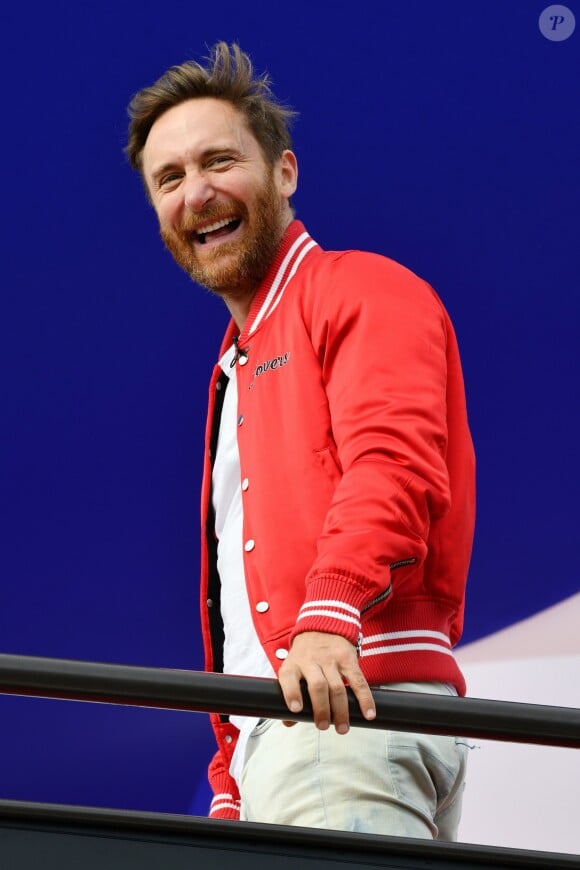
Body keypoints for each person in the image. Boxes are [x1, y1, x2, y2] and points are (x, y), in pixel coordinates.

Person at [125, 42, 476, 840]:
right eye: (170, 178)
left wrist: (328, 615)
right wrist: (231, 776)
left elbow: (393, 464)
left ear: (285, 172)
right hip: (294, 743)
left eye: (220, 160)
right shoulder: (233, 367)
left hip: (344, 724)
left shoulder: (361, 286)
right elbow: (244, 615)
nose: (197, 192)